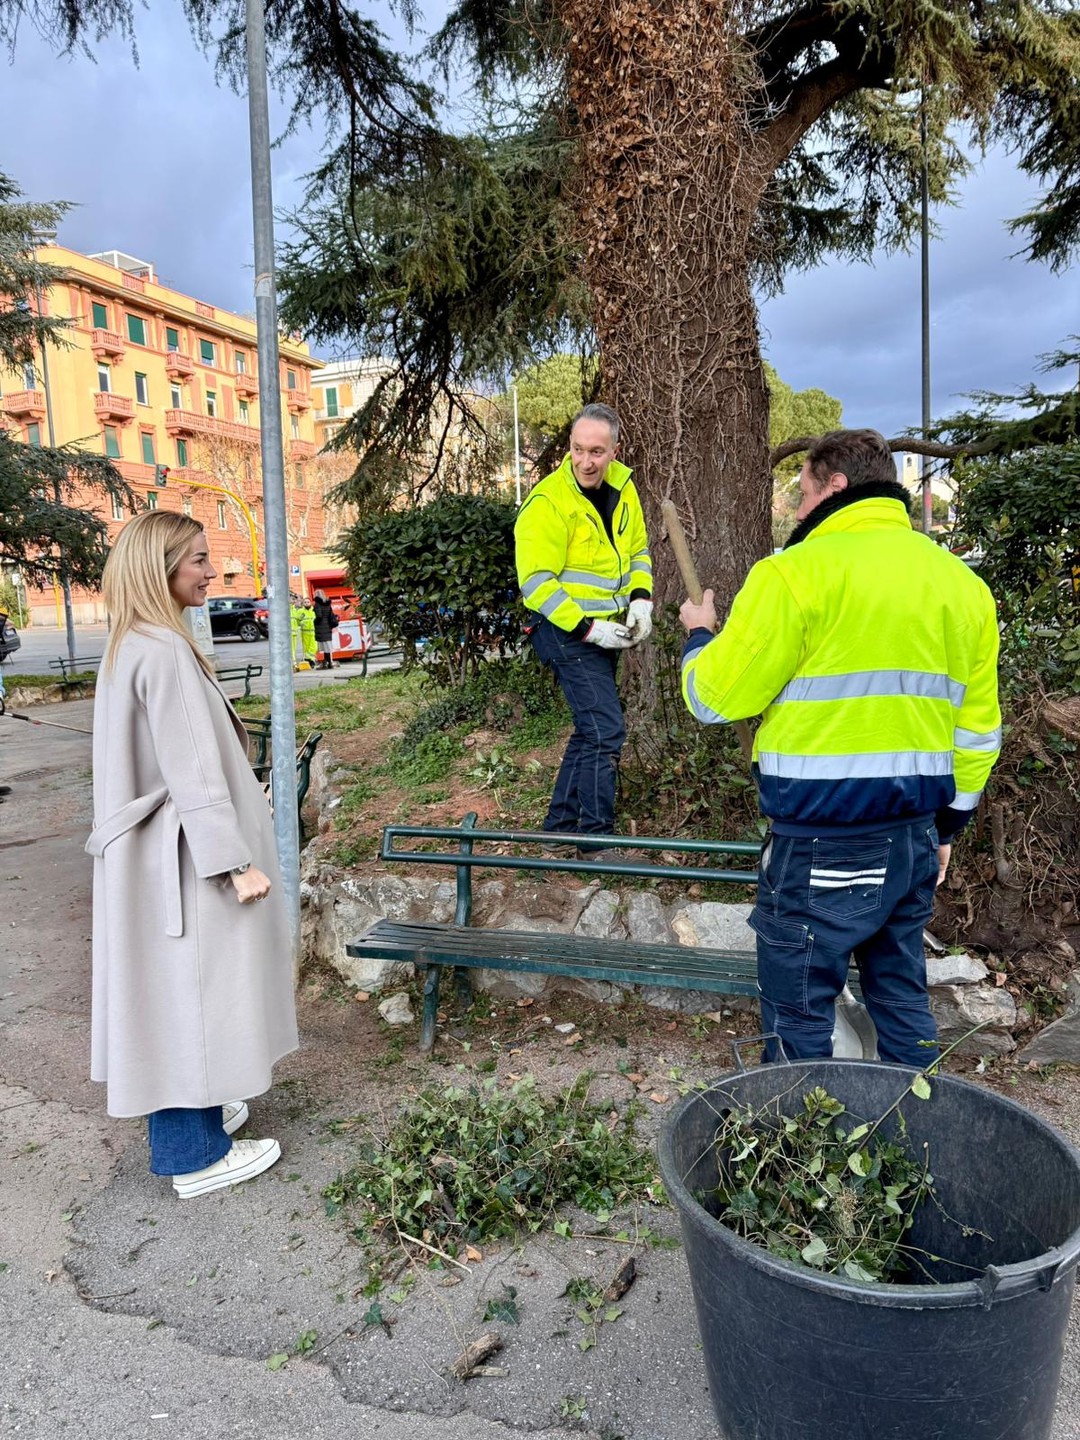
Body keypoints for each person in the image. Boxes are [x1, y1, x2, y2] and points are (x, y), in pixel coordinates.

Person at [678, 428, 1001, 1067]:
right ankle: (923, 1139)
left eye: (801, 495)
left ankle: (803, 1151)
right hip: (912, 837)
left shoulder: (792, 576)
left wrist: (698, 637)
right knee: (902, 992)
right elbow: (978, 733)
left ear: (835, 487)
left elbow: (712, 699)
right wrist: (948, 830)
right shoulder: (962, 587)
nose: (797, 513)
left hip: (818, 842)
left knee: (800, 1004)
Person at [86, 512, 299, 1197]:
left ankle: (200, 1111)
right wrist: (233, 863)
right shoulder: (164, 651)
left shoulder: (133, 643)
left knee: (168, 992)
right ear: (161, 567)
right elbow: (194, 773)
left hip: (152, 858)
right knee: (190, 995)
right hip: (180, 859)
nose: (213, 571)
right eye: (200, 560)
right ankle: (193, 1152)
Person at [515, 403, 653, 851]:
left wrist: (641, 602)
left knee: (590, 729)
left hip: (606, 630)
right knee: (605, 730)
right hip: (565, 631)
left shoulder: (624, 488)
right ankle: (595, 841)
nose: (586, 461)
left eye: (596, 451)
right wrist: (588, 629)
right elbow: (535, 584)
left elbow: (638, 553)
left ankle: (558, 830)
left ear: (614, 450)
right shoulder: (548, 500)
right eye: (578, 449)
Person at [312, 589, 338, 670]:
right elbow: (331, 615)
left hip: (321, 627)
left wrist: (315, 621)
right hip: (328, 626)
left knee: (324, 646)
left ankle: (326, 663)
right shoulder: (328, 604)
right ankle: (329, 662)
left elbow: (319, 616)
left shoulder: (317, 604)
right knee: (327, 646)